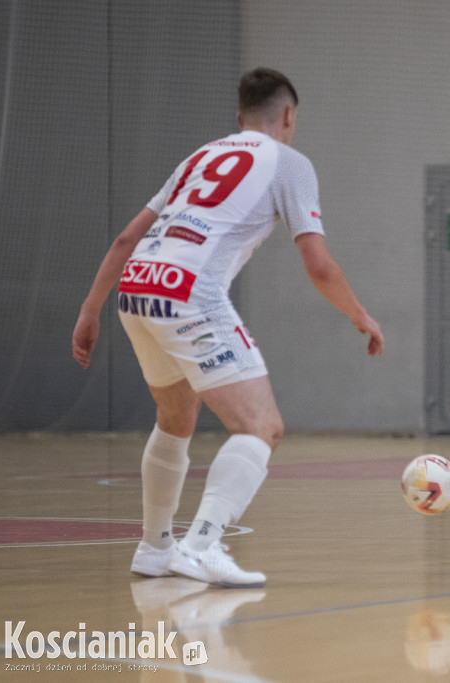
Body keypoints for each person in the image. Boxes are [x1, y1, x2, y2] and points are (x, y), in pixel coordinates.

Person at [72, 67, 384, 587]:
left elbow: (127, 238)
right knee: (263, 428)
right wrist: (360, 315)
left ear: (239, 119)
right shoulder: (291, 163)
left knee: (175, 417)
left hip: (137, 287)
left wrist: (89, 309)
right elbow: (320, 265)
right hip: (189, 292)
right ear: (288, 116)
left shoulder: (200, 156)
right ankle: (201, 545)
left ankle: (154, 547)